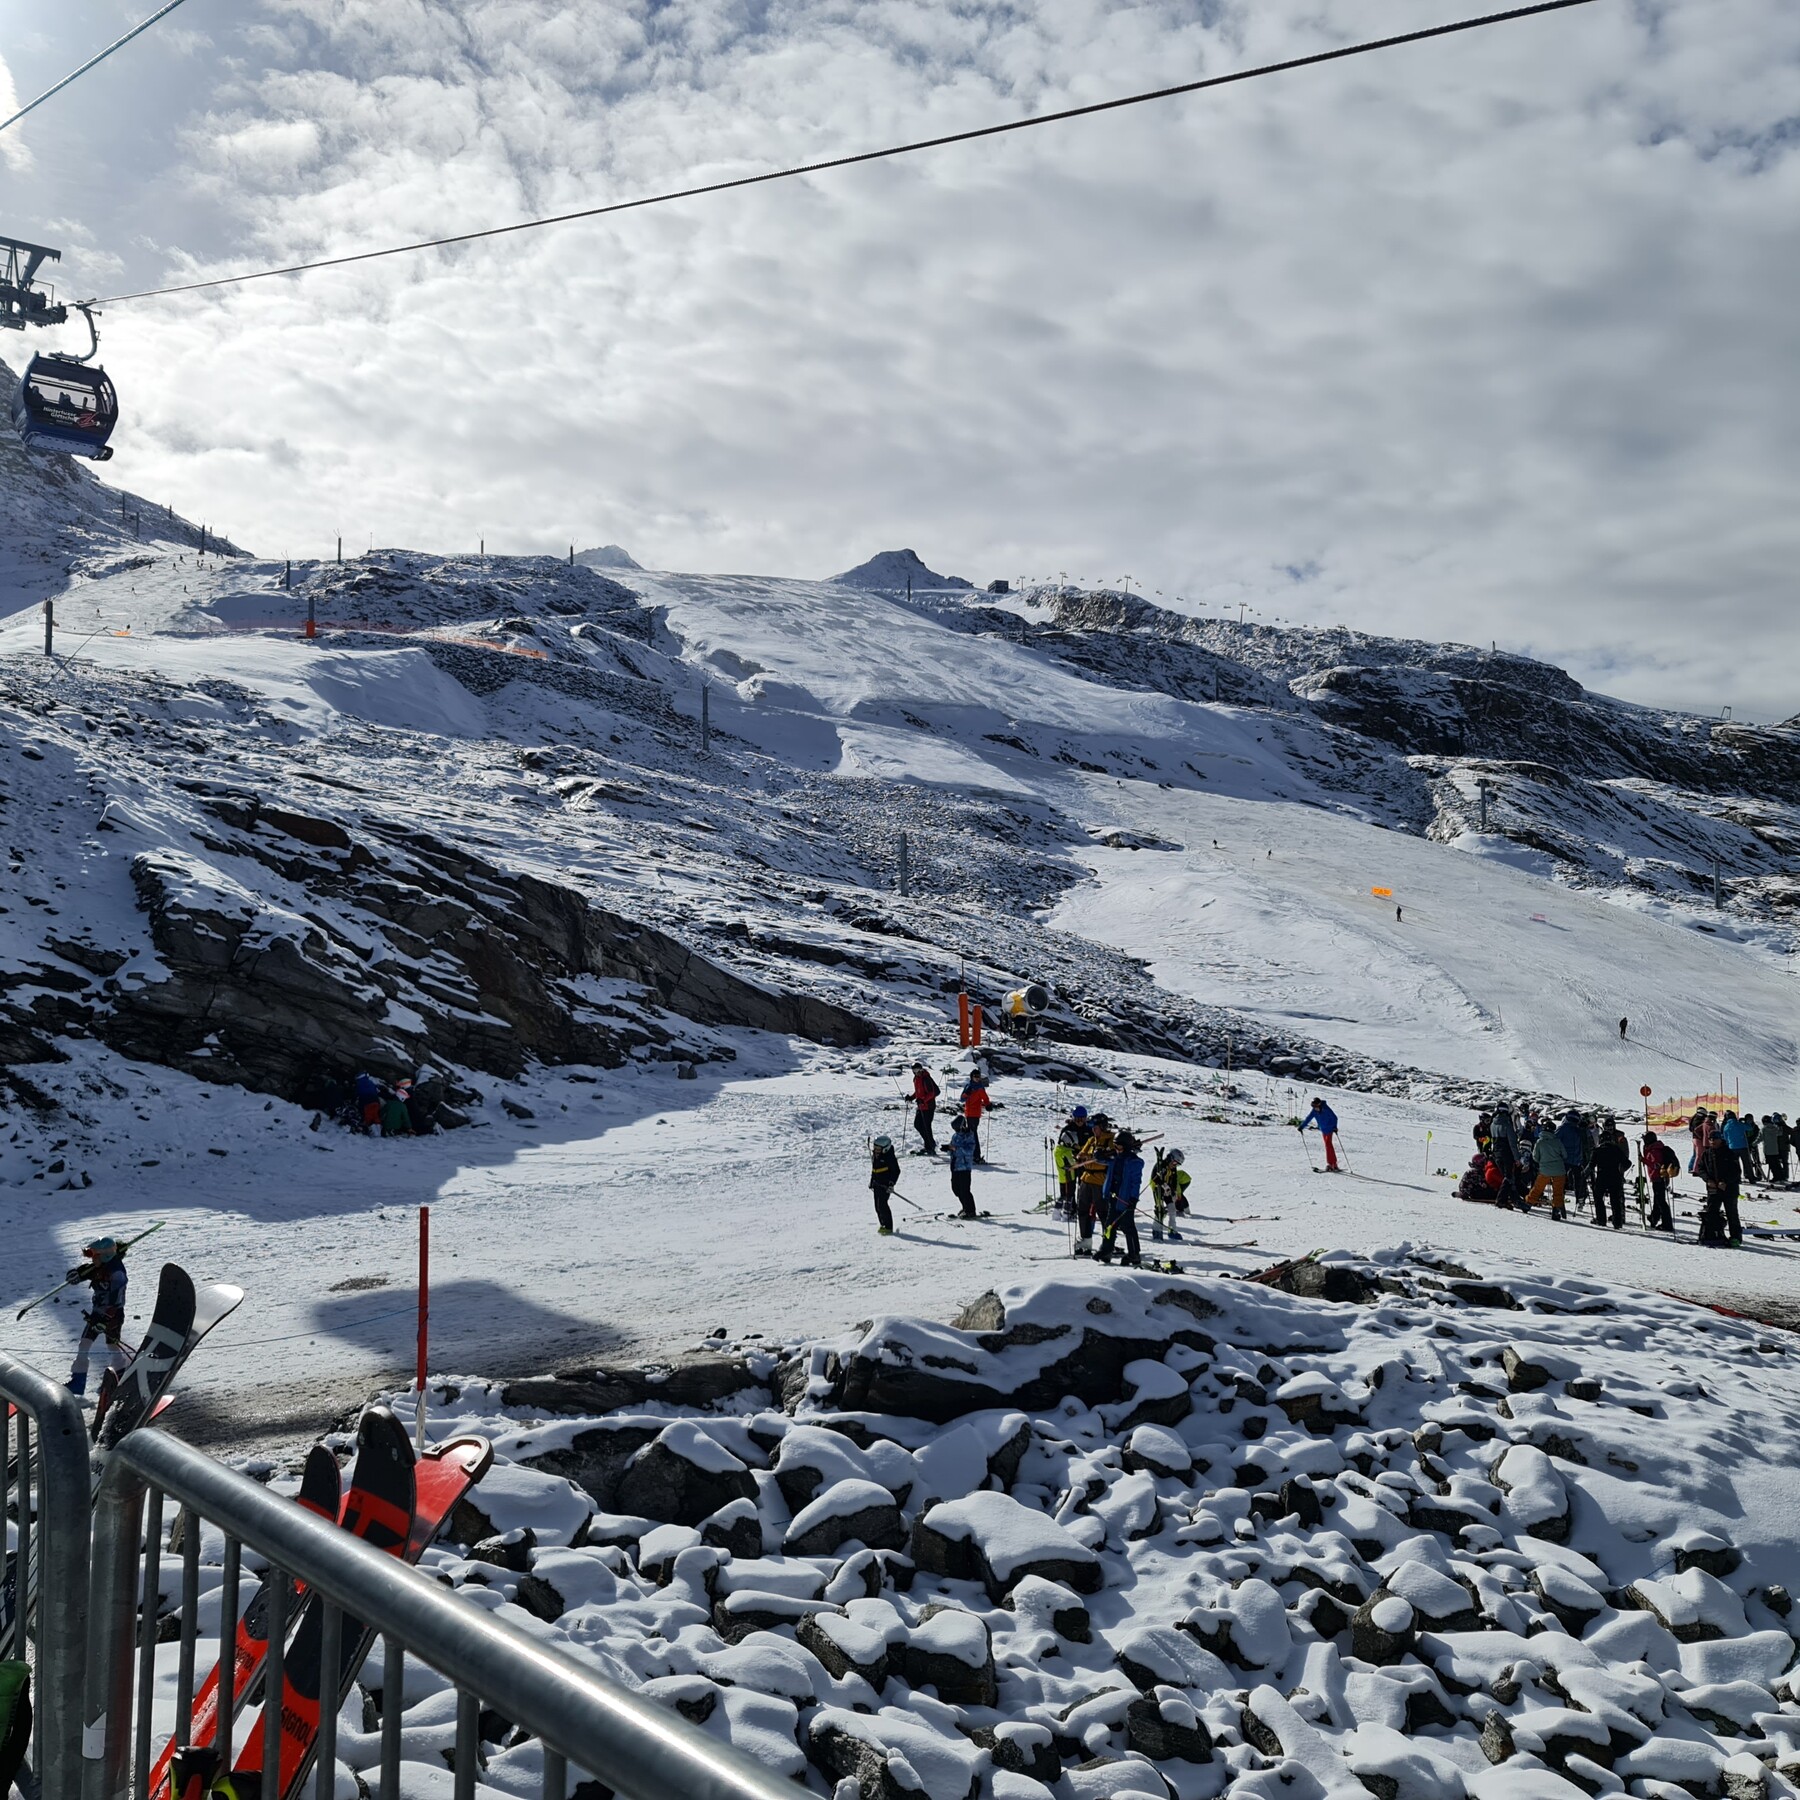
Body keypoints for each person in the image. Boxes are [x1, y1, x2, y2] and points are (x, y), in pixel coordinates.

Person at [68, 1236, 129, 1397]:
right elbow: (87, 1272)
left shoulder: (117, 1273)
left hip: (112, 1315)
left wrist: (105, 1319)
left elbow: (117, 1300)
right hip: (97, 1313)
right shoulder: (100, 1267)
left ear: (105, 1256)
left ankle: (120, 1375)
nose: (92, 1259)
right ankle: (78, 1382)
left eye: (95, 1255)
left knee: (112, 1345)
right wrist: (77, 1274)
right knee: (84, 1344)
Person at [1096, 1132, 1146, 1266]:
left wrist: (1133, 1199)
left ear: (1126, 1146)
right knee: (1109, 1226)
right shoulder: (1115, 1158)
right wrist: (1098, 1155)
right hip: (1113, 1197)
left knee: (1128, 1227)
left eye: (1119, 1146)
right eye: (1115, 1146)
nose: (1116, 1149)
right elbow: (1102, 1160)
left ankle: (1134, 1254)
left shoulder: (1134, 1162)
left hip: (1125, 1200)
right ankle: (1106, 1250)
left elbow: (1136, 1182)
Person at [1073, 1113, 1116, 1254]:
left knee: (1103, 1212)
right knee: (1082, 1209)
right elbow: (1081, 1154)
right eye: (1092, 1127)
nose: (1093, 1130)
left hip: (1100, 1180)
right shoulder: (1091, 1140)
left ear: (1102, 1127)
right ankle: (1086, 1239)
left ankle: (1108, 1241)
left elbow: (1112, 1157)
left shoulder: (1110, 1140)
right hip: (1086, 1178)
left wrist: (1098, 1157)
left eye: (1095, 1127)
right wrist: (1081, 1157)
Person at [1697, 1129, 1743, 1247]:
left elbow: (1736, 1171)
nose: (1712, 1141)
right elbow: (1701, 1169)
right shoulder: (1706, 1153)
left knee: (1732, 1214)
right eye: (1710, 1139)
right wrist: (1708, 1179)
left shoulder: (1729, 1153)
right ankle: (1713, 1235)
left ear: (1721, 1140)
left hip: (1729, 1189)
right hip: (1713, 1189)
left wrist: (1725, 1181)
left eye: (1715, 1139)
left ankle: (1736, 1237)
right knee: (1712, 1212)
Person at [1522, 1121, 1569, 1219]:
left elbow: (1535, 1157)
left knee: (1538, 1188)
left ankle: (1528, 1204)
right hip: (1559, 1169)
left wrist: (1542, 1162)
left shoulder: (1539, 1142)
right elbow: (1565, 1155)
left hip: (1545, 1170)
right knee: (1558, 1191)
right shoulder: (1557, 1141)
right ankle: (1556, 1211)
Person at [1591, 1119, 1630, 1230]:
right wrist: (1620, 1169)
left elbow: (1591, 1165)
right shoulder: (1616, 1149)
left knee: (1600, 1197)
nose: (1609, 1128)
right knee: (1615, 1199)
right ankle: (1618, 1222)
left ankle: (1602, 1220)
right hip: (1615, 1175)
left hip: (1603, 1176)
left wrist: (1584, 1174)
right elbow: (1627, 1162)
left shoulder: (1598, 1150)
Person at [1150, 1148, 1191, 1242]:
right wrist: (1163, 1185)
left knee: (1172, 1208)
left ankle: (1172, 1230)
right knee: (1160, 1210)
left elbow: (1174, 1180)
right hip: (1157, 1188)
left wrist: (1173, 1191)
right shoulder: (1160, 1165)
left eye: (1177, 1164)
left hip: (1167, 1190)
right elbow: (1154, 1178)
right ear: (1170, 1158)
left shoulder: (1173, 1169)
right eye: (1175, 1162)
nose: (1175, 1165)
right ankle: (1156, 1230)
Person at [1642, 1129, 1678, 1232]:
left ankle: (1667, 1224)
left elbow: (1656, 1165)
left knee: (1661, 1201)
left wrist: (1644, 1160)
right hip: (1660, 1178)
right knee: (1657, 1200)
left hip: (1659, 1178)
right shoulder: (1656, 1148)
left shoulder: (1654, 1150)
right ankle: (1654, 1218)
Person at [1054, 1107, 1088, 1215]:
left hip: (1084, 1162)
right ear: (1073, 1118)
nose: (1080, 1122)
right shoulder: (1067, 1129)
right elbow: (1062, 1148)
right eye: (1077, 1119)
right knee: (1069, 1186)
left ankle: (1083, 1209)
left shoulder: (1089, 1130)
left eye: (1082, 1119)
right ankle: (1070, 1209)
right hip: (1071, 1162)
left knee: (1084, 1187)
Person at [947, 1116, 979, 1219]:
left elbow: (970, 1150)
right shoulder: (955, 1136)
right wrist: (948, 1149)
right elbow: (952, 1148)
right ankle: (965, 1207)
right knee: (956, 1189)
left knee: (964, 1190)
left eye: (957, 1128)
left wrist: (956, 1149)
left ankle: (970, 1210)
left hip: (964, 1167)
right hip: (955, 1166)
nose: (956, 1131)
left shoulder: (969, 1136)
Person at [1299, 1097, 1341, 1172]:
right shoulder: (1314, 1111)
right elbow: (1308, 1118)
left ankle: (1331, 1164)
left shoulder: (1326, 1109)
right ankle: (1333, 1164)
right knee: (1328, 1146)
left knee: (1328, 1145)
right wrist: (1302, 1126)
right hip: (1323, 1130)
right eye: (1313, 1106)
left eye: (1316, 1106)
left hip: (1329, 1129)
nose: (1315, 1108)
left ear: (1319, 1104)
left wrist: (1334, 1127)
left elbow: (1334, 1118)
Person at [870, 1135, 901, 1235]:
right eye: (875, 1148)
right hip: (877, 1184)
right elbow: (874, 1169)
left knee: (882, 1205)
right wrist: (872, 1181)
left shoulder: (889, 1157)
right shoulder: (875, 1155)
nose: (876, 1150)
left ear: (885, 1148)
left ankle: (888, 1226)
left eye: (878, 1149)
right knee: (877, 1206)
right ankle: (882, 1224)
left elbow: (896, 1171)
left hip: (885, 1185)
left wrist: (891, 1184)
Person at [910, 1062, 941, 1156]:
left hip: (928, 1107)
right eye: (914, 1070)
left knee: (926, 1126)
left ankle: (930, 1146)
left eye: (917, 1070)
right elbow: (918, 1092)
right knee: (918, 1125)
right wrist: (911, 1098)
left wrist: (923, 1100)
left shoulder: (926, 1079)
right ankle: (930, 1143)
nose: (916, 1072)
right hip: (921, 1106)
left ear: (921, 1069)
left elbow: (932, 1093)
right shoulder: (916, 1079)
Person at [960, 1072, 990, 1165]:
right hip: (968, 1113)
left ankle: (976, 1156)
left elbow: (985, 1099)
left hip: (975, 1114)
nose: (977, 1078)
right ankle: (973, 1154)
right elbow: (962, 1099)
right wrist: (966, 1094)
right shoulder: (968, 1086)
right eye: (975, 1076)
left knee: (973, 1134)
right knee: (970, 1134)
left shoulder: (980, 1088)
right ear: (971, 1077)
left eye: (978, 1076)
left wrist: (988, 1105)